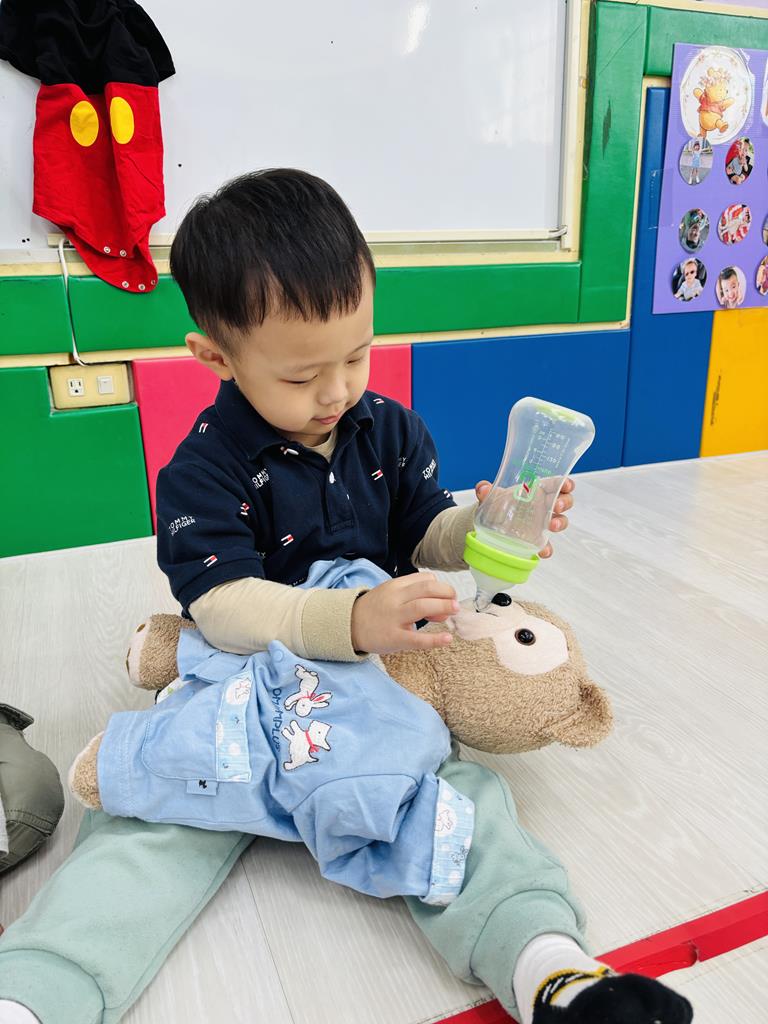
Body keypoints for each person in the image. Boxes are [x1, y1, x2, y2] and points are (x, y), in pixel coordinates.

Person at [0, 170, 692, 1024]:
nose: (336, 392)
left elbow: (423, 534)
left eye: (357, 355)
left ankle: (551, 971)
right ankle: (38, 995)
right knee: (150, 829)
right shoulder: (202, 469)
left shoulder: (389, 430)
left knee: (460, 811)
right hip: (245, 693)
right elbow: (221, 607)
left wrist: (484, 524)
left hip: (376, 694)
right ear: (217, 357)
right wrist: (349, 620)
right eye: (301, 376)